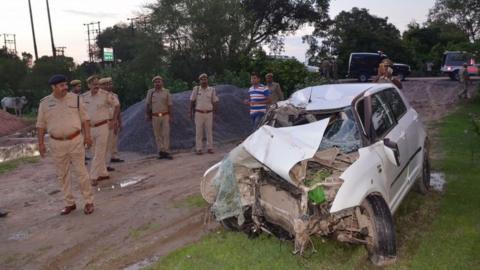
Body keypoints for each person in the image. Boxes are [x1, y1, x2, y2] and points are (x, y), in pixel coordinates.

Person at [36, 74, 94, 215]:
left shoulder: (77, 99)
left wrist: (87, 136)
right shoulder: (44, 103)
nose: (65, 88)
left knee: (81, 172)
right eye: (61, 85)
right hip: (56, 143)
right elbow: (41, 125)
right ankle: (69, 203)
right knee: (62, 175)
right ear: (53, 87)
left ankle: (88, 202)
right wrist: (41, 144)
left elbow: (85, 120)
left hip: (75, 140)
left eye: (65, 85)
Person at [83, 75, 120, 186]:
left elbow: (117, 105)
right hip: (90, 128)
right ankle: (103, 172)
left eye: (97, 84)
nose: (96, 86)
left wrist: (114, 120)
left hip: (102, 126)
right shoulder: (83, 97)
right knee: (94, 152)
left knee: (99, 152)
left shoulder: (105, 95)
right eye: (93, 84)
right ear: (89, 85)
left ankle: (93, 176)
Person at [189, 73, 219, 155]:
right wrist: (190, 112)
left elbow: (215, 101)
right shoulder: (196, 89)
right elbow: (192, 100)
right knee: (199, 132)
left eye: (205, 79)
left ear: (207, 80)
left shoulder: (212, 90)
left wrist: (215, 112)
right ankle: (199, 149)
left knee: (209, 131)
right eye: (202, 79)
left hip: (209, 113)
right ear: (199, 81)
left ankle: (210, 148)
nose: (204, 81)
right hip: (198, 113)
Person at [145, 76, 173, 159]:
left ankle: (167, 151)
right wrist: (147, 114)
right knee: (157, 135)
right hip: (155, 116)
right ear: (154, 83)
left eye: (159, 81)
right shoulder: (150, 92)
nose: (157, 83)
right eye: (156, 82)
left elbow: (170, 104)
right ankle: (161, 151)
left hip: (165, 115)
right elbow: (147, 104)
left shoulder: (166, 92)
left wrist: (171, 116)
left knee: (166, 134)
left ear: (162, 82)